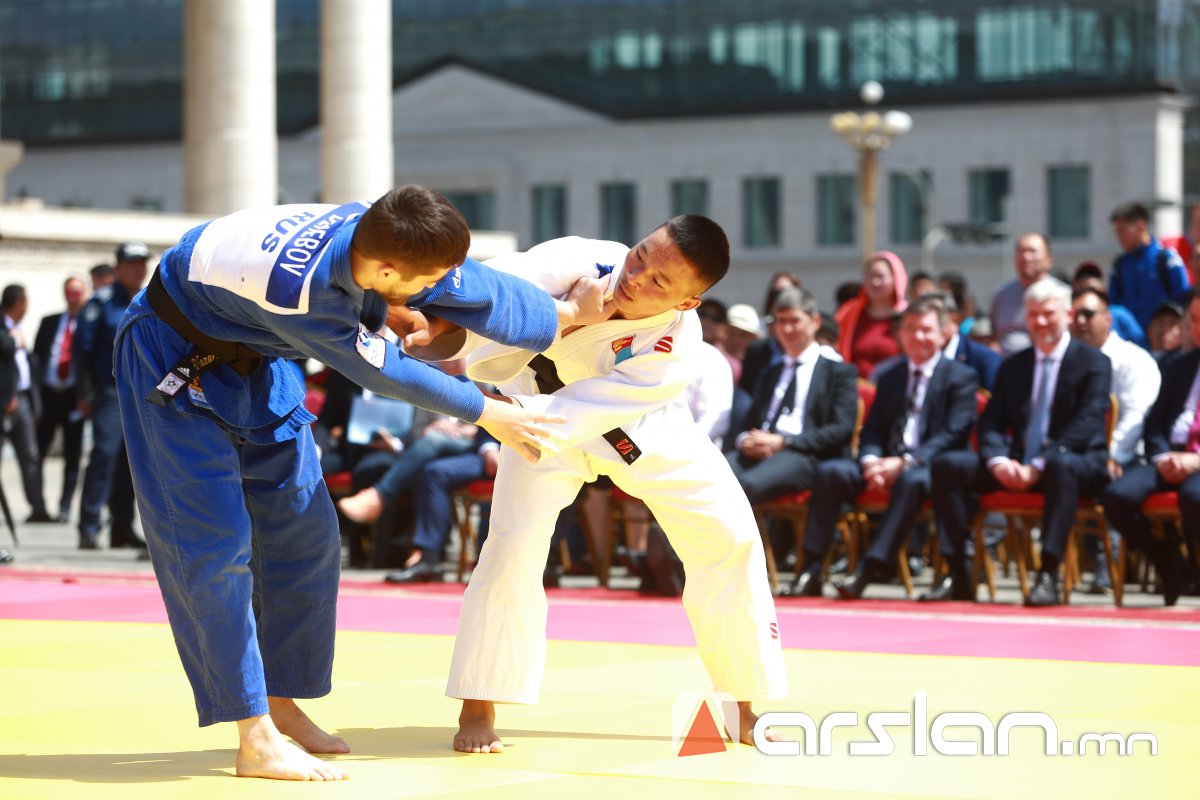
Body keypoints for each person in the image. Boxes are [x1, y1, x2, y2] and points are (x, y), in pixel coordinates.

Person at [112, 186, 610, 781]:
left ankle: (279, 702)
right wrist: (491, 412)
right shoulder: (301, 293)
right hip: (171, 358)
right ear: (386, 271)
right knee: (214, 550)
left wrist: (568, 316)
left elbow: (476, 286)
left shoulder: (383, 233)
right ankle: (253, 735)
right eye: (419, 284)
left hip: (257, 353)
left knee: (308, 536)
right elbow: (386, 372)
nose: (431, 293)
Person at [409, 216, 788, 754]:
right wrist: (437, 322)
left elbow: (590, 411)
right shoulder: (582, 261)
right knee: (512, 547)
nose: (636, 277)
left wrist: (503, 409)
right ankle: (479, 702)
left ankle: (742, 702)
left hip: (640, 428)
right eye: (641, 255)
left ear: (688, 302)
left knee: (731, 537)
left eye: (659, 281)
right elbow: (496, 289)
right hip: (534, 420)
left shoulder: (677, 347)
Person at [929, 279, 1111, 606]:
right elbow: (991, 422)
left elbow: (1087, 423)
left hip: (1073, 463)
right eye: (1033, 314)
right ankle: (958, 572)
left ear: (1067, 314)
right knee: (947, 466)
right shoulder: (1014, 366)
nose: (1040, 321)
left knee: (1061, 465)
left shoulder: (1093, 362)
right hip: (1018, 463)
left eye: (1048, 314)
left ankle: (1048, 574)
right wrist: (999, 461)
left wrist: (1040, 463)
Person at [792, 297, 978, 600]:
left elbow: (954, 433)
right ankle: (810, 569)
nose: (918, 336)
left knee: (911, 481)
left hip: (931, 467)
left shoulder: (960, 376)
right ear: (900, 334)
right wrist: (870, 460)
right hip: (883, 463)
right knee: (831, 472)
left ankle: (869, 569)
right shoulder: (891, 377)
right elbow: (874, 428)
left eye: (926, 330)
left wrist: (905, 462)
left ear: (943, 334)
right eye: (910, 329)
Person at [1101, 290, 1200, 605]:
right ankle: (1167, 561)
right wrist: (1161, 457)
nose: (1198, 327)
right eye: (1195, 320)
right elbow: (1155, 422)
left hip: (1197, 465)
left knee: (1194, 497)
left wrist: (1195, 462)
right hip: (1168, 459)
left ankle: (1196, 570)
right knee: (1116, 495)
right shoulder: (1179, 367)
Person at [726, 287, 858, 509]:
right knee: (707, 479)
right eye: (781, 321)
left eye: (794, 321)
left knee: (741, 487)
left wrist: (784, 442)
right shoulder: (771, 371)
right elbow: (749, 420)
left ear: (815, 321)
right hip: (759, 450)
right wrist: (745, 440)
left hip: (804, 454)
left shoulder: (837, 372)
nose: (786, 329)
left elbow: (841, 428)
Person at [75, 243, 148, 549]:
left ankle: (122, 528)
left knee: (132, 461)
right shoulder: (101, 302)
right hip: (110, 391)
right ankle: (89, 526)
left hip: (142, 394)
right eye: (131, 264)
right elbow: (83, 349)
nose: (138, 269)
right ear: (117, 268)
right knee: (104, 455)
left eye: (142, 263)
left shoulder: (151, 300)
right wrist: (83, 393)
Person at [34, 276, 88, 522]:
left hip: (74, 398)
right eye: (69, 292)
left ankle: (65, 507)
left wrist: (86, 396)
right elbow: (37, 359)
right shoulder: (49, 322)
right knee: (37, 452)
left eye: (77, 293)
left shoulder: (89, 324)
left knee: (72, 455)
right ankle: (38, 506)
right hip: (48, 395)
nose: (73, 297)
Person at [2, 285, 49, 522]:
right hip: (5, 402)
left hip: (22, 402)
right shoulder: (5, 330)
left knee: (30, 455)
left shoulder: (18, 328)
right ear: (19, 302)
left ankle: (38, 508)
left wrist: (34, 405)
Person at [1108, 202, 1191, 330]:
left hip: (1163, 336)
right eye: (1117, 232)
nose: (1119, 238)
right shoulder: (1119, 265)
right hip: (1129, 337)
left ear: (1141, 226)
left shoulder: (1167, 260)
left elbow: (1182, 299)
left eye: (1122, 231)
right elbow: (1114, 305)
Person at [835, 251, 908, 378]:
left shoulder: (908, 316)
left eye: (880, 276)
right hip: (854, 387)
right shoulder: (849, 313)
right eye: (870, 276)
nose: (875, 282)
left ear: (896, 278)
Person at [991, 232, 1063, 356]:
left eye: (1032, 251)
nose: (1026, 257)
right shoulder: (1001, 295)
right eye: (1021, 251)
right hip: (1007, 364)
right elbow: (994, 335)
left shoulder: (1062, 294)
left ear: (1048, 259)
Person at [1071, 261, 1146, 348]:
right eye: (1076, 315)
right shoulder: (1066, 317)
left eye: (1088, 314)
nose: (1081, 320)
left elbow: (1141, 342)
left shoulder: (1120, 314)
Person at [936, 292, 1000, 391]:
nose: (921, 335)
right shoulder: (915, 360)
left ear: (954, 320)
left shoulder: (984, 359)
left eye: (938, 322)